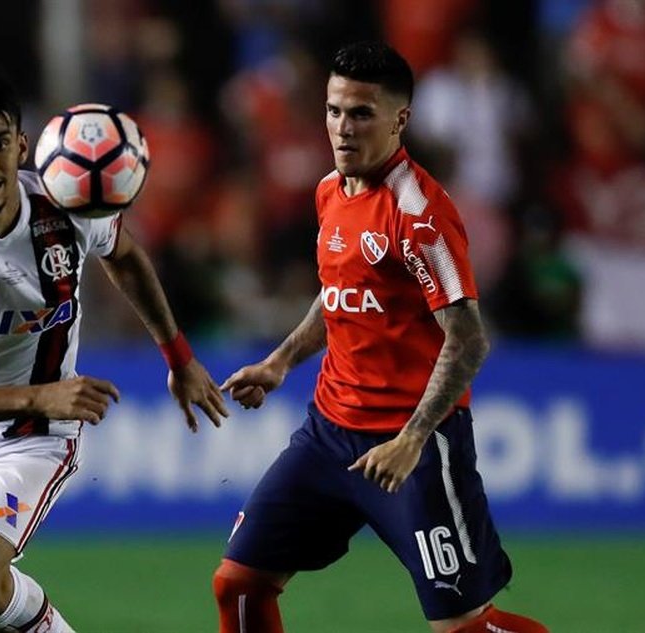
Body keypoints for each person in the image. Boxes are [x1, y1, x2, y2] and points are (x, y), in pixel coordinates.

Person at [213, 42, 548, 633]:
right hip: (327, 434)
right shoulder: (329, 192)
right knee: (239, 586)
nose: (343, 127)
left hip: (411, 448)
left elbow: (468, 339)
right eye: (334, 110)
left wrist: (413, 439)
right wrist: (281, 361)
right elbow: (340, 292)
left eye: (361, 113)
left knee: (464, 627)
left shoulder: (419, 215)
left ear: (400, 119)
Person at [0, 66, 228, 633]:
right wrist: (41, 394)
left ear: (21, 146)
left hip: (32, 438)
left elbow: (125, 255)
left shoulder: (65, 205)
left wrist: (180, 358)